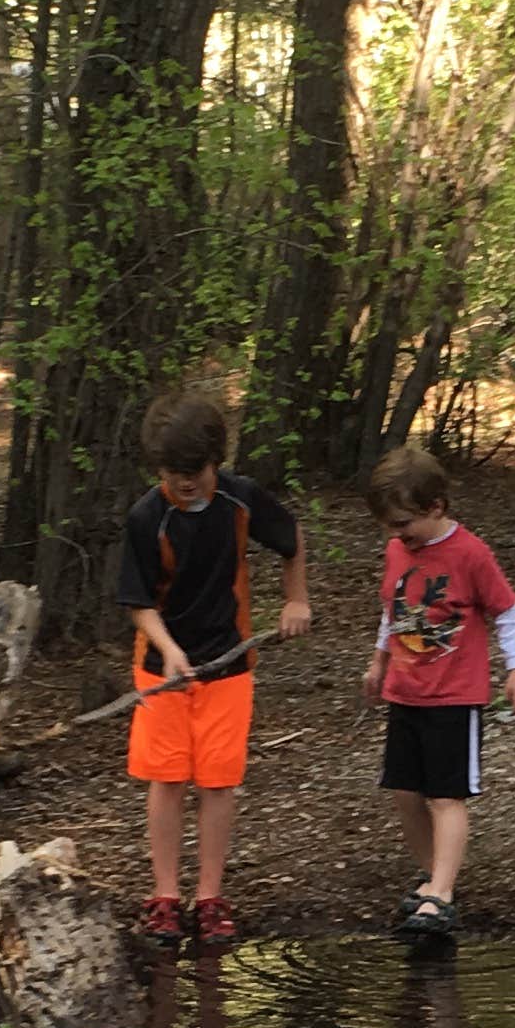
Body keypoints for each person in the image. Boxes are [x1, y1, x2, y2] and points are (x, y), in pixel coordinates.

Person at [120, 389, 311, 944]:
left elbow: (292, 538)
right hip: (162, 668)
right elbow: (138, 603)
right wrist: (171, 650)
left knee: (218, 782)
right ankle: (165, 896)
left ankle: (209, 896)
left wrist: (295, 599)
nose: (184, 482)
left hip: (229, 665)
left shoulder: (241, 500)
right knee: (168, 778)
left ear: (215, 462)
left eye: (195, 470)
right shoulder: (146, 517)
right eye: (172, 471)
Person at [362, 442, 515, 945]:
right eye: (390, 527)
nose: (396, 536)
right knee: (404, 792)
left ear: (435, 508)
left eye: (403, 524)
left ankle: (443, 892)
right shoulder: (398, 551)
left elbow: (508, 611)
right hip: (405, 693)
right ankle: (432, 877)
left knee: (445, 796)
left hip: (454, 698)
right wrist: (378, 661)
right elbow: (393, 614)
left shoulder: (470, 554)